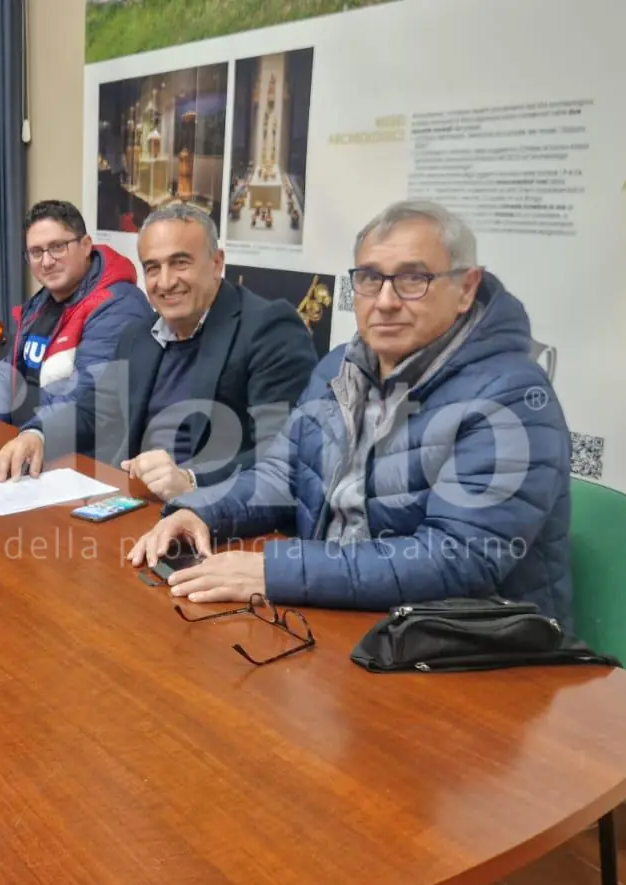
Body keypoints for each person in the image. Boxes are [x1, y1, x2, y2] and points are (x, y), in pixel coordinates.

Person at [129, 200, 572, 624]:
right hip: (342, 612)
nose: (385, 301)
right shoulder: (338, 366)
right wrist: (201, 511)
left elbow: (457, 557)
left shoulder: (511, 395)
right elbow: (280, 475)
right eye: (370, 279)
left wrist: (275, 572)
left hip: (462, 642)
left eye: (413, 279)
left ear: (466, 289)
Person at [0, 203, 317, 500]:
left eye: (180, 263)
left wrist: (192, 481)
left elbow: (283, 451)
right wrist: (37, 434)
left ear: (217, 263)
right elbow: (96, 410)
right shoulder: (138, 335)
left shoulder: (268, 329)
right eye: (152, 268)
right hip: (133, 500)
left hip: (215, 514)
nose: (165, 282)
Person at [0, 200, 149, 426]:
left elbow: (85, 401)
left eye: (57, 246)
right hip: (23, 434)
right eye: (36, 252)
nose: (47, 262)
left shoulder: (119, 306)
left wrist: (29, 435)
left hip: (68, 441)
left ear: (86, 245)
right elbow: (8, 373)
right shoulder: (42, 300)